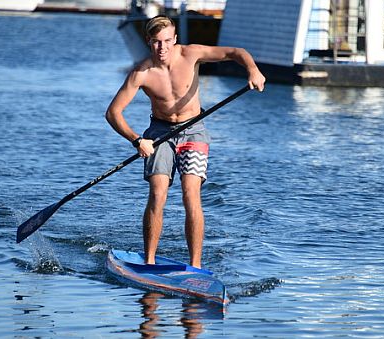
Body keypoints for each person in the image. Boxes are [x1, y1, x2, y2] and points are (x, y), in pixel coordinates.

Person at [105, 15, 265, 268]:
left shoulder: (192, 54)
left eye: (168, 41)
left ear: (175, 39)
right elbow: (113, 113)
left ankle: (196, 266)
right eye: (157, 42)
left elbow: (236, 51)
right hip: (158, 134)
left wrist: (253, 70)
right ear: (148, 41)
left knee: (191, 194)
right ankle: (149, 262)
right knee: (158, 194)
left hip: (194, 131)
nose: (163, 47)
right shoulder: (141, 73)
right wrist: (137, 140)